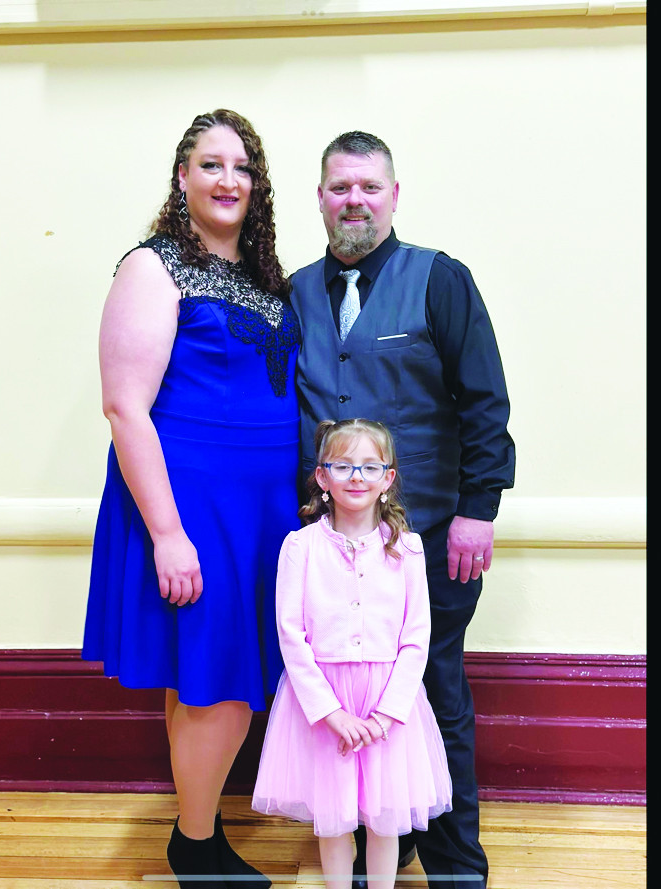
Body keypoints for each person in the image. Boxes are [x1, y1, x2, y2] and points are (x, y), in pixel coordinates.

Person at [80, 109, 301, 889]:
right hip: (193, 506)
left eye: (243, 167)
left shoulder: (263, 277)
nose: (228, 180)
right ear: (182, 177)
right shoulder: (153, 266)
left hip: (264, 510)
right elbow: (124, 407)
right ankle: (195, 845)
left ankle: (197, 836)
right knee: (226, 682)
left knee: (207, 677)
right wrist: (168, 533)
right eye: (211, 164)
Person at [288, 132, 515, 889]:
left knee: (430, 686)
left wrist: (478, 509)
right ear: (320, 196)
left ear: (393, 195)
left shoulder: (439, 279)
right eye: (339, 186)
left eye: (369, 187)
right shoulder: (295, 293)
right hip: (333, 543)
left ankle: (455, 866)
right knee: (348, 689)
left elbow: (485, 400)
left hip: (430, 532)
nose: (354, 200)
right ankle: (379, 845)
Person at [252, 418, 453, 889]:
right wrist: (331, 714)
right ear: (322, 477)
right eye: (342, 466)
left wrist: (385, 716)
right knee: (336, 816)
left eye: (369, 467)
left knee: (385, 819)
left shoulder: (408, 549)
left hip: (389, 703)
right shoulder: (299, 548)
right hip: (325, 703)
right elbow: (291, 636)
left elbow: (416, 637)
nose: (356, 477)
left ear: (389, 478)